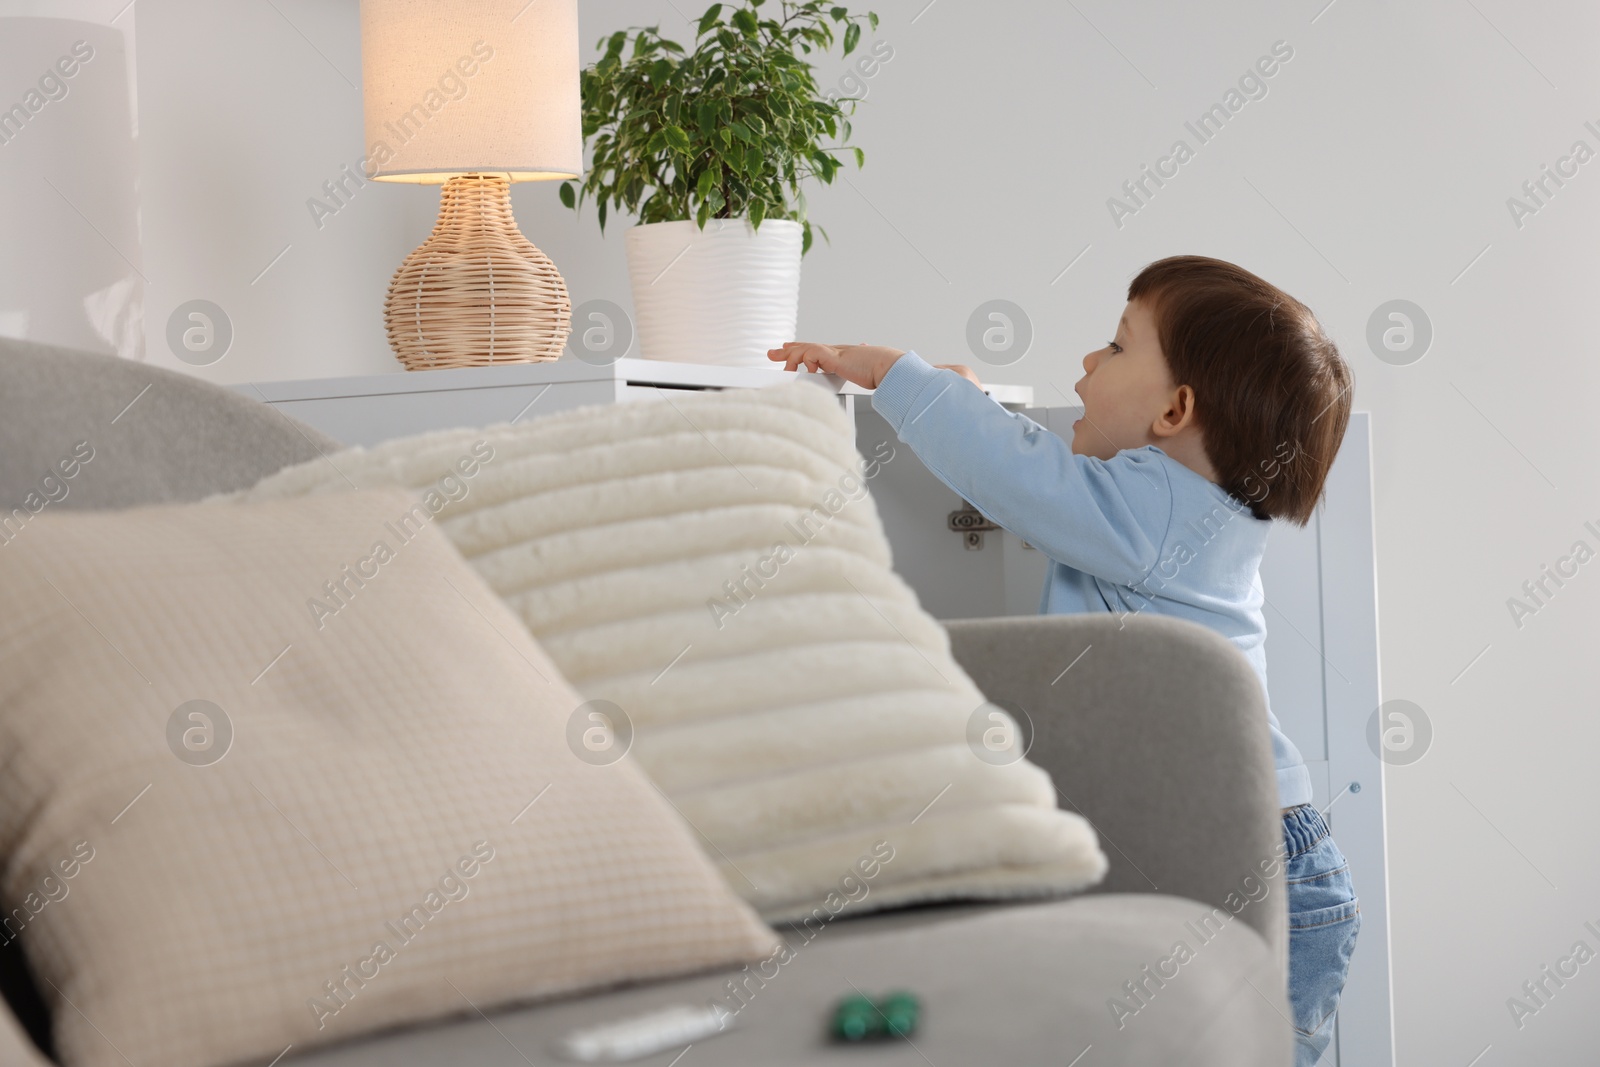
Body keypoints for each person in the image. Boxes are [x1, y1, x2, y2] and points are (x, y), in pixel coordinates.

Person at [769, 254, 1360, 1064]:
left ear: (1175, 409)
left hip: (1255, 863)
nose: (1087, 362)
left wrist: (893, 375)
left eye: (1116, 349)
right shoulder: (1166, 508)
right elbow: (1043, 480)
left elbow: (1023, 476)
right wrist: (968, 405)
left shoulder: (1154, 513)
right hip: (1256, 853)